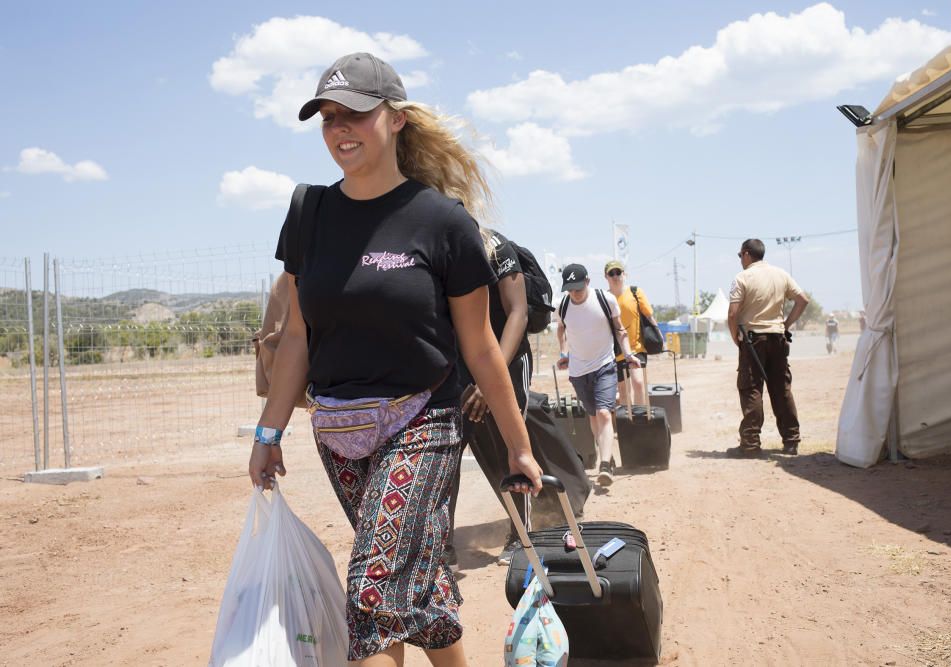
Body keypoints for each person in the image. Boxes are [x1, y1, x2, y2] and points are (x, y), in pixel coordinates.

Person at [247, 52, 543, 666]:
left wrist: (517, 445)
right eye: (327, 117)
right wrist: (269, 430)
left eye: (354, 113)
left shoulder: (443, 223)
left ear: (397, 118)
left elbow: (481, 347)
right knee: (418, 584)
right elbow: (298, 335)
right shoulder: (309, 213)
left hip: (423, 422)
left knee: (376, 590)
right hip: (338, 429)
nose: (339, 129)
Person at [445, 228, 532, 567]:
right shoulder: (435, 242)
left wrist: (489, 379)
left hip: (507, 360)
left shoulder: (497, 248)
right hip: (460, 366)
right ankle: (443, 544)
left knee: (507, 448)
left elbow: (518, 313)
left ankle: (522, 536)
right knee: (447, 452)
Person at [557, 263, 640, 486]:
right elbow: (561, 329)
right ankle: (608, 455)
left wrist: (629, 354)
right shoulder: (563, 305)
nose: (574, 293)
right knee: (593, 416)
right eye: (570, 289)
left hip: (604, 364)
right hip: (578, 371)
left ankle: (604, 465)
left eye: (578, 288)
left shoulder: (605, 299)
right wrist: (564, 353)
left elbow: (620, 329)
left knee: (604, 413)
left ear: (588, 282)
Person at [726, 239, 809, 458]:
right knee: (781, 389)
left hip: (753, 340)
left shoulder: (742, 278)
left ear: (746, 254)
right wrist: (785, 324)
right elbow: (802, 300)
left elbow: (733, 313)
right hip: (778, 338)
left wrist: (736, 337)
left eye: (740, 256)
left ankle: (751, 445)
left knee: (751, 389)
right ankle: (791, 442)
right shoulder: (781, 274)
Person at [603, 259, 657, 404]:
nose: (615, 276)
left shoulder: (635, 292)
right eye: (611, 273)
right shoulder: (604, 298)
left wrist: (659, 337)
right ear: (606, 277)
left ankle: (640, 418)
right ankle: (627, 422)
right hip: (617, 351)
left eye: (618, 272)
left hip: (637, 347)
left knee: (638, 383)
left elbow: (649, 315)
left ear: (624, 274)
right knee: (624, 392)